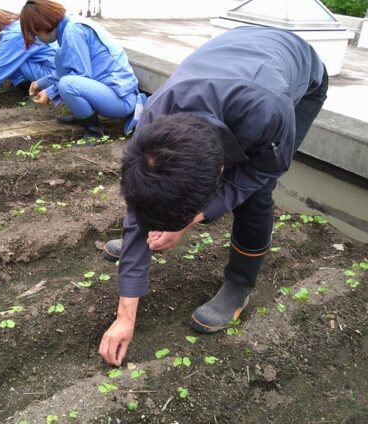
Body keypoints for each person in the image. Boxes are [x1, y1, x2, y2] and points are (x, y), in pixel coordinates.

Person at [98, 26, 328, 366]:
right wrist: (125, 315)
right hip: (236, 60)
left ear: (219, 169)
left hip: (300, 76)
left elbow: (264, 170)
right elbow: (140, 206)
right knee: (157, 196)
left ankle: (238, 285)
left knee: (256, 194)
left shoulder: (268, 113)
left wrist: (192, 220)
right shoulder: (151, 127)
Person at [19, 0, 140, 142]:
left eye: (35, 34)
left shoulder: (73, 32)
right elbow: (66, 69)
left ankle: (94, 132)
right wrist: (40, 83)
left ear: (44, 25)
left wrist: (50, 92)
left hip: (121, 100)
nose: (37, 38)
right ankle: (82, 116)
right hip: (110, 92)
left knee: (68, 84)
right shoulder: (69, 26)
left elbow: (81, 76)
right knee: (63, 69)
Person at [0, 3, 57, 97]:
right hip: (54, 65)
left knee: (10, 62)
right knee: (9, 60)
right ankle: (27, 85)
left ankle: (37, 90)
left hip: (53, 74)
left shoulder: (12, 37)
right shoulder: (15, 24)